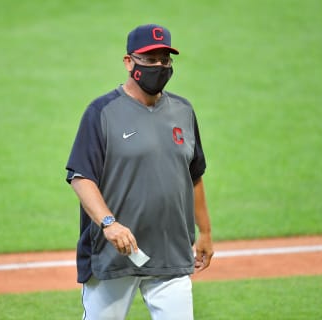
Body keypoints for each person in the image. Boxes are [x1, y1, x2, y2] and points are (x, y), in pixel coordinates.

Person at [65, 23, 214, 320]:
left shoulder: (183, 111)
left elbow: (194, 175)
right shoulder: (102, 112)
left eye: (164, 59)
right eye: (149, 59)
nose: (158, 66)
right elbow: (81, 177)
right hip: (115, 256)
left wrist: (206, 232)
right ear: (128, 61)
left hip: (170, 254)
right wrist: (109, 223)